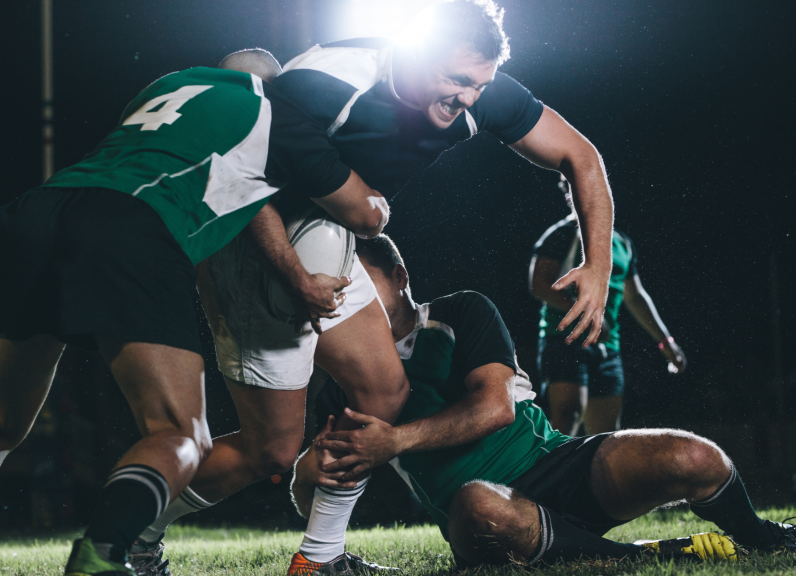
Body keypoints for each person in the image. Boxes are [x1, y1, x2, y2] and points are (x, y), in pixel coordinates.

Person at [133, 1, 618, 573]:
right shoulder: (326, 83)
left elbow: (580, 156)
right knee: (273, 448)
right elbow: (239, 178)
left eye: (479, 84)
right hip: (254, 240)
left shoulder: (481, 94)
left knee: (384, 395)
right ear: (414, 52)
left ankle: (319, 560)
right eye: (457, 79)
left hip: (327, 233)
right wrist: (292, 272)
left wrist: (598, 266)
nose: (468, 97)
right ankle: (129, 535)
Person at [0, 51, 387, 576]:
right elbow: (362, 213)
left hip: (38, 213)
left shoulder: (168, 85)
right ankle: (101, 556)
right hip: (134, 224)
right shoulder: (277, 116)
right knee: (181, 435)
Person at [291, 234, 795, 568]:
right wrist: (305, 476)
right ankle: (633, 558)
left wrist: (394, 440)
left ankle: (764, 535)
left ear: (400, 276)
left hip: (557, 464)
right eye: (342, 288)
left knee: (695, 456)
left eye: (360, 283)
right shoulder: (343, 378)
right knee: (478, 502)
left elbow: (496, 408)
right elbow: (319, 479)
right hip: (483, 516)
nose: (350, 299)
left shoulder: (459, 311)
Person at [531, 175, 687, 435]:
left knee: (605, 438)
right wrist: (587, 311)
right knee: (566, 422)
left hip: (607, 350)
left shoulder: (621, 243)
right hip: (565, 343)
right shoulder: (561, 235)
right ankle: (557, 476)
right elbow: (539, 284)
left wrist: (665, 341)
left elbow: (636, 297)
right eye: (576, 189)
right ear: (568, 195)